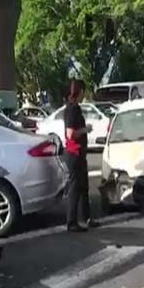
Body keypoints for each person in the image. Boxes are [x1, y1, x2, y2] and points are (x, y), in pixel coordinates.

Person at [63, 78, 97, 232]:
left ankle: (86, 217)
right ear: (80, 91)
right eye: (84, 92)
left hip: (79, 153)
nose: (84, 95)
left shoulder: (74, 107)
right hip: (73, 152)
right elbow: (70, 134)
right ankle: (71, 222)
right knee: (75, 187)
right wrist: (85, 130)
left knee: (84, 187)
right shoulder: (72, 109)